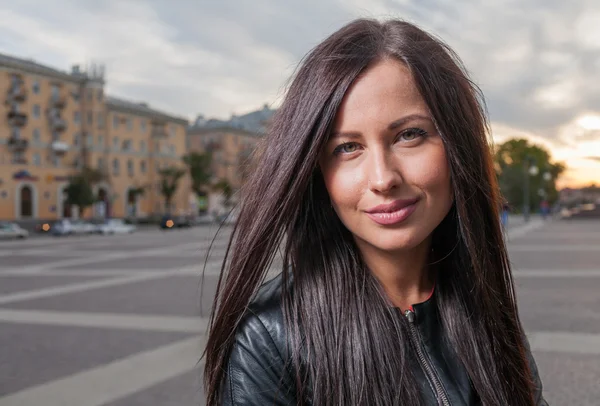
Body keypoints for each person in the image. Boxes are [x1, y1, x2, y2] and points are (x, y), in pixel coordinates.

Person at [203, 18, 547, 405]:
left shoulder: (486, 303)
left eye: (409, 134)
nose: (383, 178)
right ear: (318, 173)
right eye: (347, 147)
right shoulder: (267, 338)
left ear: (457, 144)